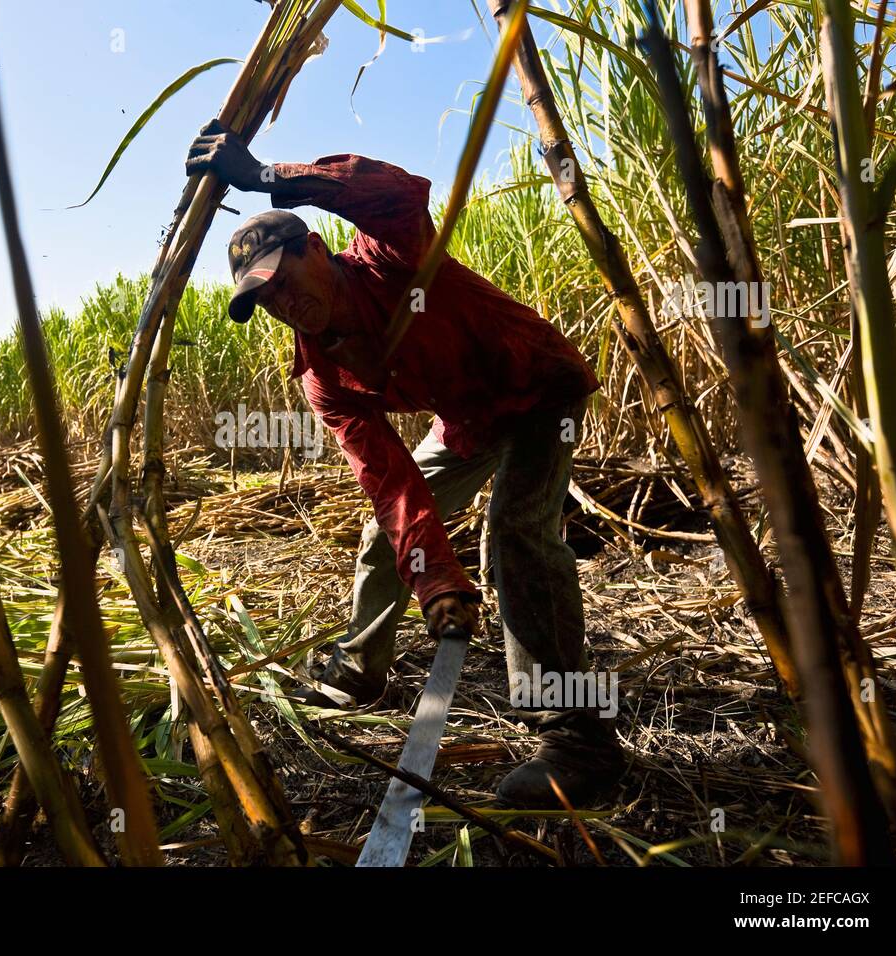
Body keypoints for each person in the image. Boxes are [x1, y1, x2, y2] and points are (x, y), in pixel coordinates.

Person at [186, 120, 625, 807]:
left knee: (513, 537)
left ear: (315, 247)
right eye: (262, 298)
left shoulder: (392, 258)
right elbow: (392, 487)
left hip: (539, 392)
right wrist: (437, 584)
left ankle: (580, 741)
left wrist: (272, 177)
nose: (281, 301)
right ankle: (361, 669)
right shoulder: (323, 376)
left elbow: (398, 192)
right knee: (383, 539)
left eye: (280, 278)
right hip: (469, 421)